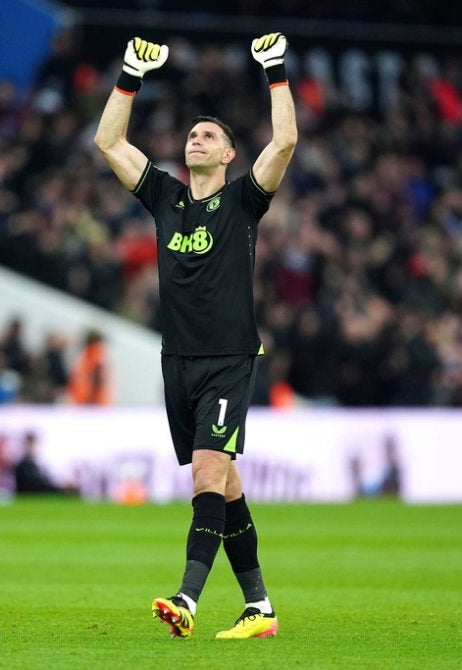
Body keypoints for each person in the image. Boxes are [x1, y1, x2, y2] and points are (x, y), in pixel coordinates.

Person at [94, 32, 297, 640]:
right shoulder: (165, 199)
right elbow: (108, 141)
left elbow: (285, 139)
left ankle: (187, 597)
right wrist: (130, 74)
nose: (196, 138)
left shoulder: (243, 203)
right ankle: (259, 607)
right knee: (227, 486)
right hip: (176, 361)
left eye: (210, 135)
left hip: (229, 359)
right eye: (192, 134)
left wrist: (275, 71)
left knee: (207, 473)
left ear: (232, 155)